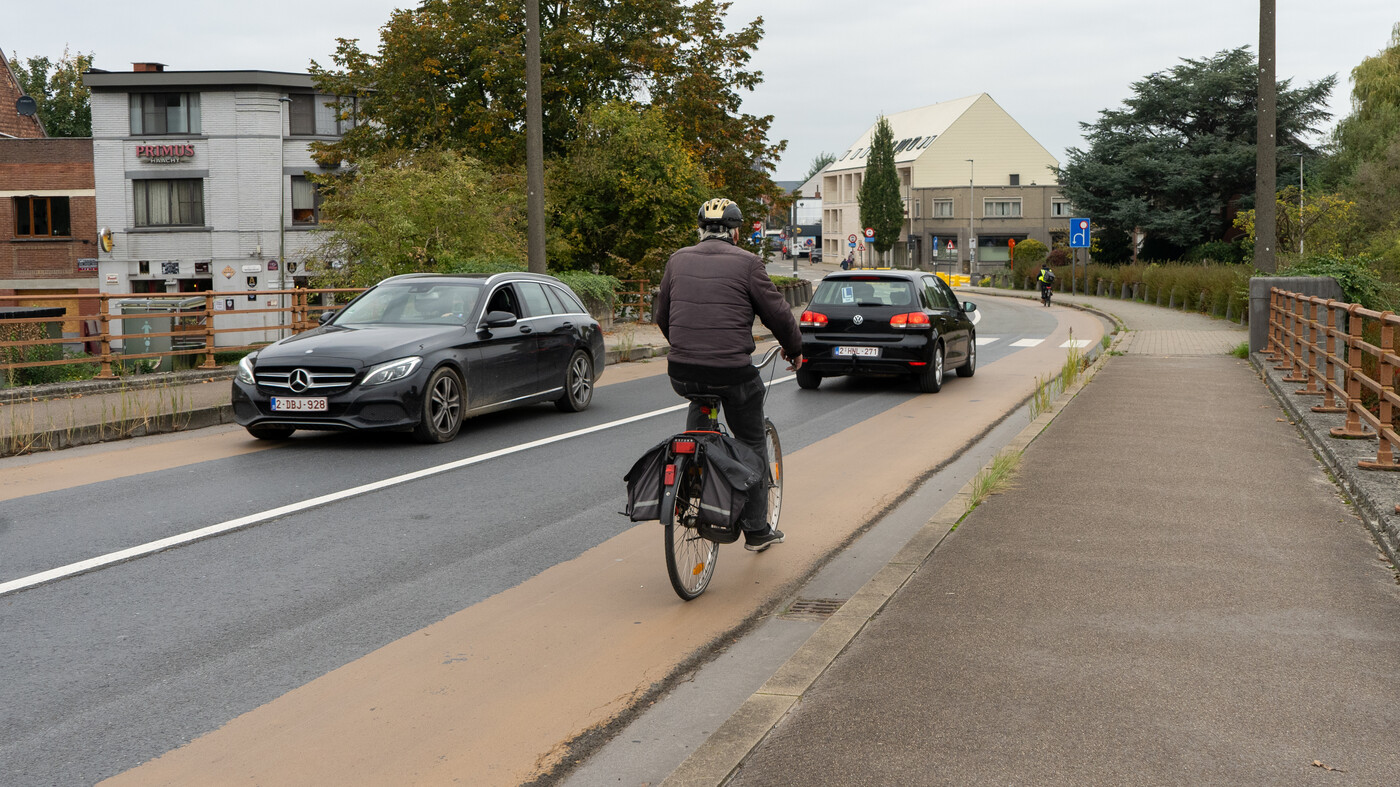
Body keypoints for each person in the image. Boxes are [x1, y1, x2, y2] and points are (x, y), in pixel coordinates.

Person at [653, 198, 804, 552]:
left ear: (700, 231)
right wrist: (794, 351)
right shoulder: (748, 263)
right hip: (732, 372)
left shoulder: (677, 260)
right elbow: (778, 315)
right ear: (735, 232)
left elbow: (663, 315)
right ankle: (755, 529)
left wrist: (685, 346)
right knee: (751, 441)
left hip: (683, 372)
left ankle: (691, 478)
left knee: (701, 409)